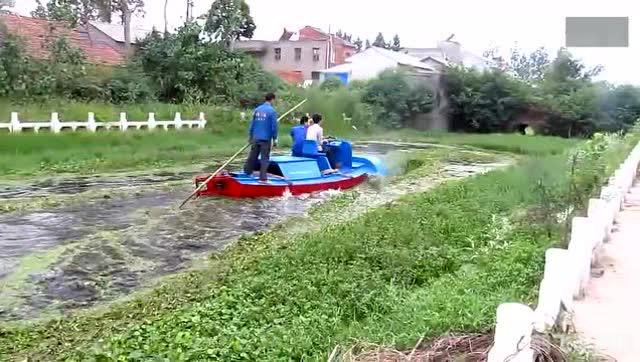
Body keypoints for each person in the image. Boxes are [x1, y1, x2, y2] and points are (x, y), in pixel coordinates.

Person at [244, 93, 278, 182]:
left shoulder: (257, 109)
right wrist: (275, 139)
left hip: (255, 138)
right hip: (266, 139)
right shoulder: (272, 111)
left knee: (252, 157)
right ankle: (263, 178)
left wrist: (250, 137)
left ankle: (247, 172)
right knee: (264, 159)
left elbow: (252, 124)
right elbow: (274, 127)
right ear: (272, 99)